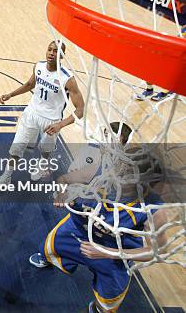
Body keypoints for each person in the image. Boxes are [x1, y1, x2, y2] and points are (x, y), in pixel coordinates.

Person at [29, 122, 171, 313]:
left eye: (125, 174)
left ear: (142, 183)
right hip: (80, 229)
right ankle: (47, 258)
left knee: (107, 305)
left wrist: (107, 252)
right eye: (121, 167)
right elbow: (63, 180)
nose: (117, 173)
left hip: (115, 249)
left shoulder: (154, 210)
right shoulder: (101, 172)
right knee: (49, 247)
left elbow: (157, 251)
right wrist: (62, 194)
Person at [0, 41, 84, 185]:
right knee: (16, 147)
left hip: (51, 120)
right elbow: (30, 84)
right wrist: (11, 94)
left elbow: (80, 110)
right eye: (50, 49)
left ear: (62, 55)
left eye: (56, 51)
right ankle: (6, 176)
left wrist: (60, 124)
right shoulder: (39, 66)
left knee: (45, 150)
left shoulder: (68, 79)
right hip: (31, 114)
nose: (52, 53)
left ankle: (42, 166)